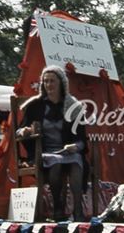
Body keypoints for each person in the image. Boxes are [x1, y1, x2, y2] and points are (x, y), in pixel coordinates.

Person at [17, 65, 88, 221]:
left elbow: (82, 138)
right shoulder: (35, 105)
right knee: (55, 164)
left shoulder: (73, 106)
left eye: (52, 81)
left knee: (77, 162)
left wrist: (75, 146)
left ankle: (78, 210)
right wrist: (25, 131)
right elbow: (19, 131)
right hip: (44, 151)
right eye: (46, 81)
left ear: (61, 83)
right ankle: (58, 207)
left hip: (67, 151)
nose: (49, 85)